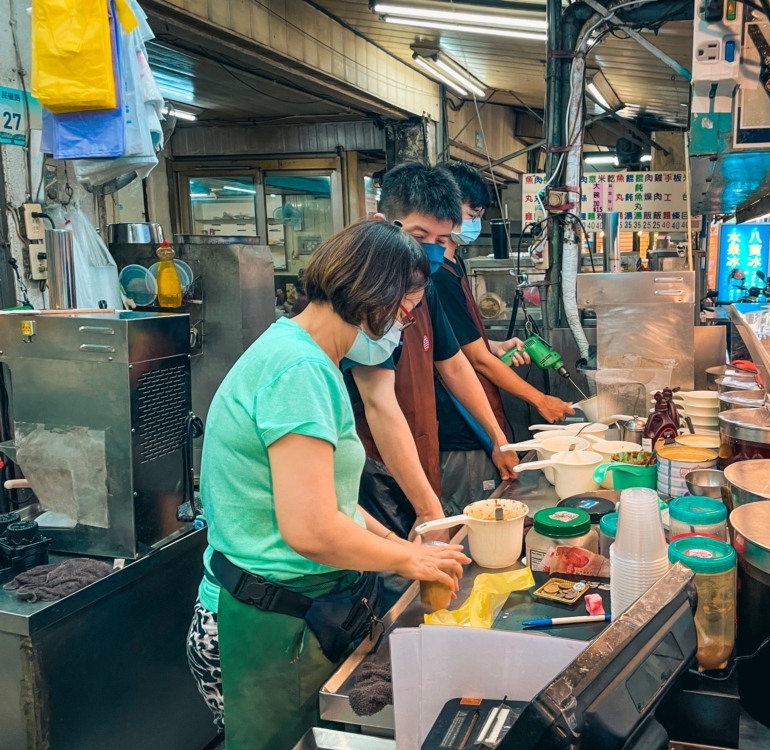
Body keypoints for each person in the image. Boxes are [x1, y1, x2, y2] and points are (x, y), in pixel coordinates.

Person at [185, 221, 471, 749]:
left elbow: (331, 501)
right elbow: (311, 529)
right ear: (373, 297)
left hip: (292, 610)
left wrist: (398, 543)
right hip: (264, 621)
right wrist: (409, 562)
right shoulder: (299, 372)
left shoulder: (310, 357)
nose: (403, 327)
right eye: (405, 312)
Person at [343, 163, 518, 529]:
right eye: (420, 236)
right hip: (375, 465)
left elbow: (454, 366)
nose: (431, 252)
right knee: (395, 573)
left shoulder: (429, 287)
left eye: (441, 242)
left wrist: (496, 438)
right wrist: (426, 509)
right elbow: (379, 403)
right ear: (383, 224)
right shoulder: (363, 296)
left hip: (422, 448)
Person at [432, 163, 575, 513]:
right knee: (471, 515)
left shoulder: (455, 266)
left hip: (479, 413)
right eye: (471, 212)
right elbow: (472, 360)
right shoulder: (438, 276)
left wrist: (495, 345)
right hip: (460, 423)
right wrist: (540, 399)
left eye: (479, 213)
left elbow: (465, 343)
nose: (474, 221)